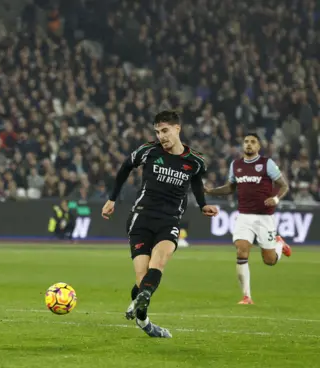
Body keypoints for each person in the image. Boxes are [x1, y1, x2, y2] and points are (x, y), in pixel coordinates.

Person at [101, 110, 219, 338]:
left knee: (159, 262)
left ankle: (141, 303)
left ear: (177, 129)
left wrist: (203, 204)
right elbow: (125, 166)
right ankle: (144, 320)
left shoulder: (195, 161)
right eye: (157, 132)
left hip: (169, 220)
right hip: (141, 217)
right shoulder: (149, 151)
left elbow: (195, 178)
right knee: (143, 278)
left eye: (165, 131)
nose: (161, 136)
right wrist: (112, 199)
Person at [205, 133, 291, 305]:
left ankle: (279, 244)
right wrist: (210, 191)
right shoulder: (236, 165)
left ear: (258, 146)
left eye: (253, 142)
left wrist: (276, 199)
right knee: (241, 250)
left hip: (265, 217)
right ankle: (246, 296)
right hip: (244, 216)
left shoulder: (267, 164)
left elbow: (284, 185)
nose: (249, 144)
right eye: (246, 142)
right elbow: (230, 188)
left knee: (270, 261)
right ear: (242, 145)